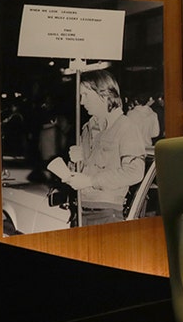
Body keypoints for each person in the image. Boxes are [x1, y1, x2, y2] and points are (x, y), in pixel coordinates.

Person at [56, 70, 146, 226]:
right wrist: (74, 163)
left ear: (104, 95)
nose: (81, 102)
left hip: (106, 214)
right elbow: (82, 172)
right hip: (80, 210)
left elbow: (135, 172)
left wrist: (90, 181)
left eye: (85, 95)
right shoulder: (86, 128)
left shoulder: (126, 127)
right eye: (80, 96)